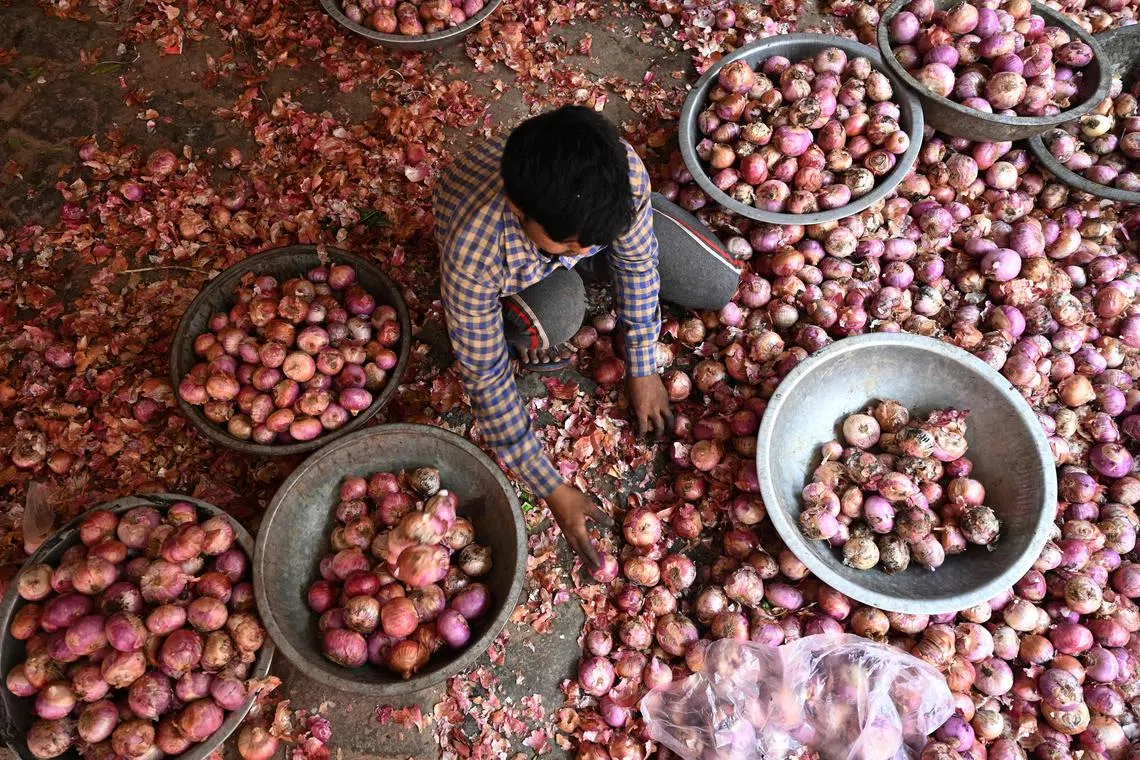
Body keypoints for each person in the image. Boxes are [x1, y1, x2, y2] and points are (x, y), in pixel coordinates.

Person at [434, 105, 741, 569]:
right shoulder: (475, 250)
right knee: (561, 313)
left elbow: (636, 263)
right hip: (513, 264)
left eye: (594, 241)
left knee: (717, 282)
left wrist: (642, 364)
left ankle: (596, 240)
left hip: (579, 217)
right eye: (574, 245)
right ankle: (550, 288)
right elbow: (484, 374)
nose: (586, 249)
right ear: (521, 211)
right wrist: (552, 488)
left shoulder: (622, 170)